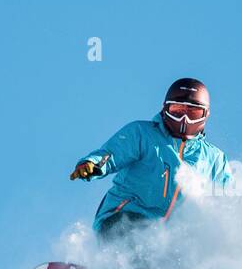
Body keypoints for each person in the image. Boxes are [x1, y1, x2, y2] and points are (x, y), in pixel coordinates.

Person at [71, 78, 231, 256]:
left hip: (169, 239)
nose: (184, 119)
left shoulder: (214, 159)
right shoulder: (142, 134)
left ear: (205, 115)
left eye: (192, 113)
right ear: (165, 109)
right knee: (140, 242)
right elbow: (112, 153)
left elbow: (223, 205)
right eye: (177, 111)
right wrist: (93, 164)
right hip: (126, 218)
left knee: (187, 255)